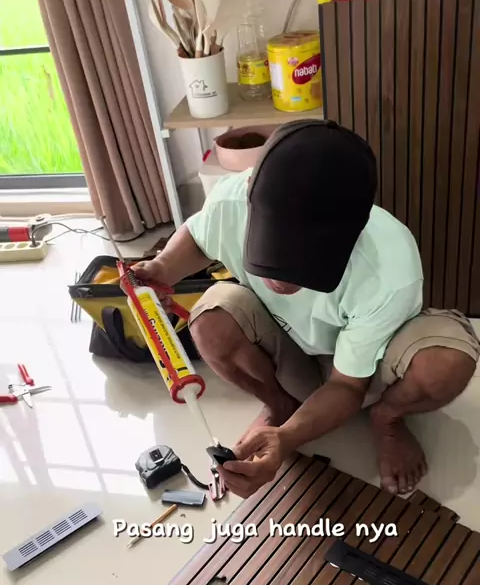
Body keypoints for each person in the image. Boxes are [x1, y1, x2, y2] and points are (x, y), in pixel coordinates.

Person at [135, 120, 479, 499]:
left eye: (303, 263)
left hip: (370, 368)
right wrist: (162, 269)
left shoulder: (390, 265)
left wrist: (286, 441)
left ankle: (388, 420)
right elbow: (200, 236)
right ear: (250, 197)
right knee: (209, 322)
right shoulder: (231, 202)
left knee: (445, 364)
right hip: (292, 347)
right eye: (272, 254)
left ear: (358, 230)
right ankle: (280, 405)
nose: (281, 282)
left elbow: (347, 385)